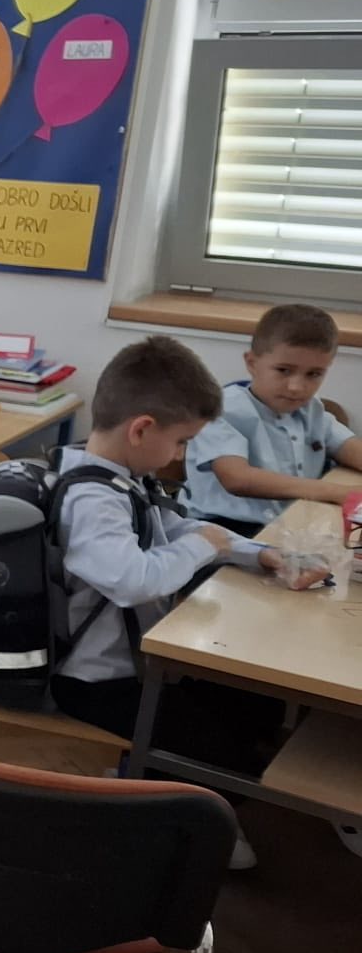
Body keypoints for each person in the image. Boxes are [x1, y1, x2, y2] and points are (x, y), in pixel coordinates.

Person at [51, 336, 329, 870]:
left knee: (253, 705)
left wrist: (260, 554)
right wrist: (206, 546)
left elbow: (178, 527)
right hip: (91, 681)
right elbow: (132, 581)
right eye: (181, 442)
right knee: (228, 756)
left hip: (133, 663)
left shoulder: (119, 476)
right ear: (141, 429)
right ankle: (167, 818)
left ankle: (148, 784)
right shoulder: (91, 500)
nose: (182, 455)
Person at [183, 303, 362, 536]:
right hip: (224, 528)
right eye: (283, 370)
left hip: (289, 519)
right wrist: (336, 492)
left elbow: (347, 446)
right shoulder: (222, 410)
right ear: (252, 363)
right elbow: (237, 478)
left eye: (314, 374)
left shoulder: (310, 408)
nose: (297, 387)